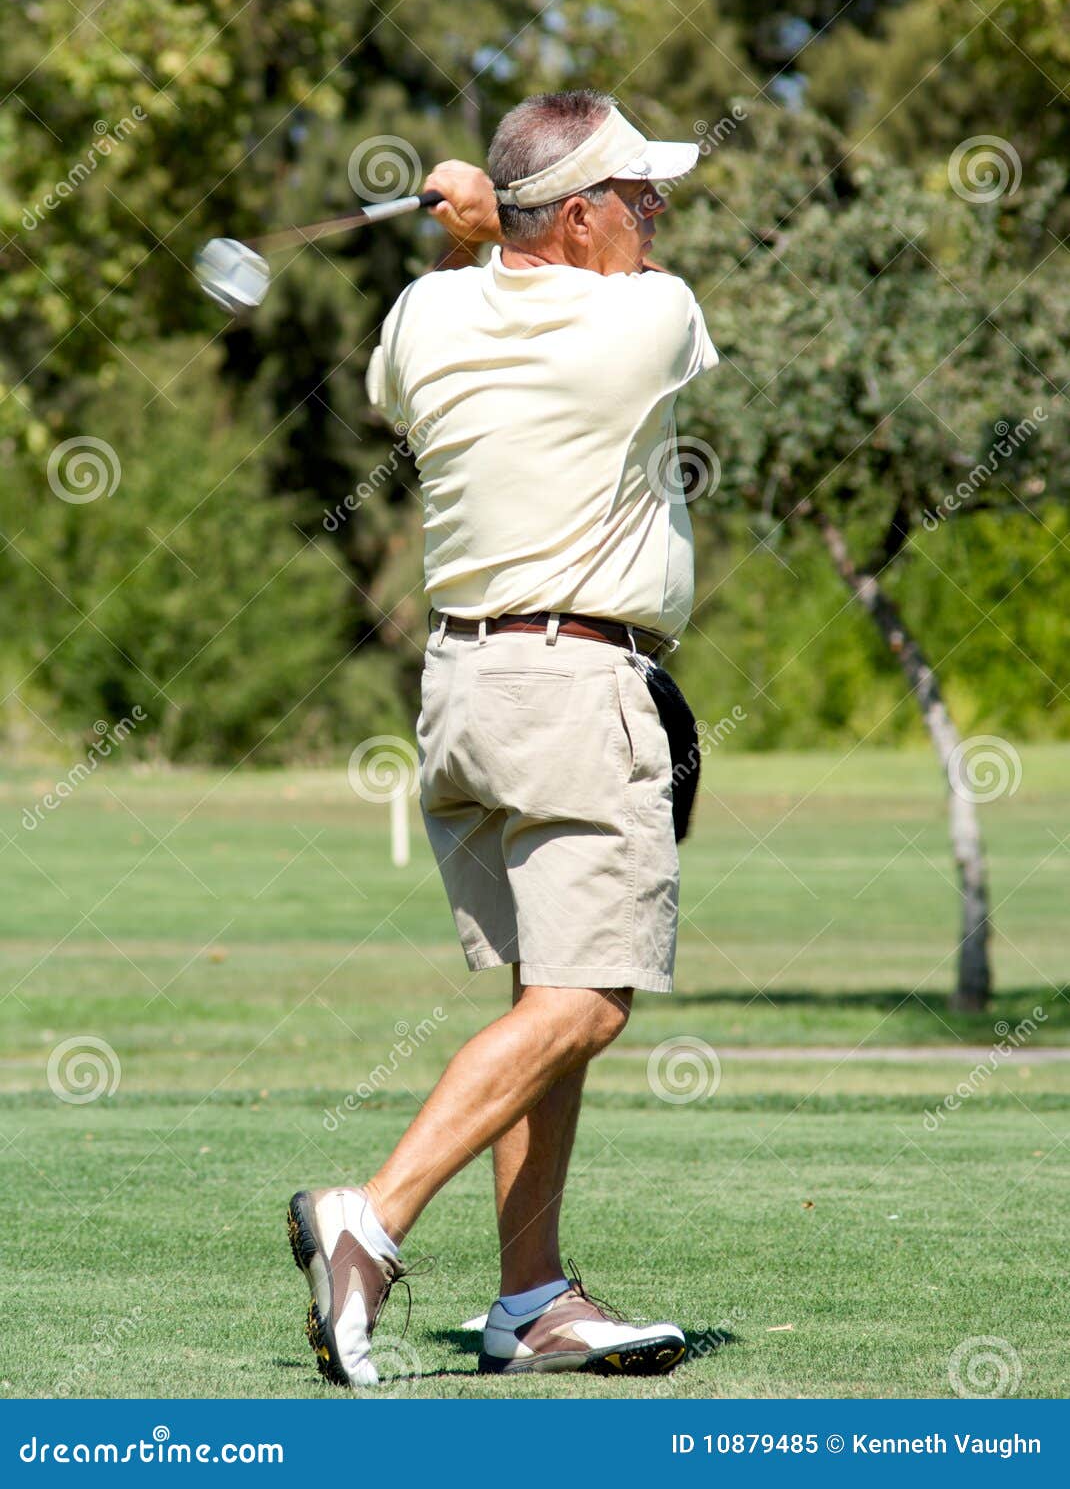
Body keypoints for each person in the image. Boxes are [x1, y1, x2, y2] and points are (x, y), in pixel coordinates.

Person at [288, 89, 718, 1385]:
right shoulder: (648, 317)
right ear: (581, 218)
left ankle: (530, 1295)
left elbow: (443, 330)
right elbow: (597, 290)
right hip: (574, 691)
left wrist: (466, 236)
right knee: (588, 999)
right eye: (638, 198)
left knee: (543, 992)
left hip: (461, 695)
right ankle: (370, 1217)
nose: (657, 217)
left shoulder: (425, 313)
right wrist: (490, 224)